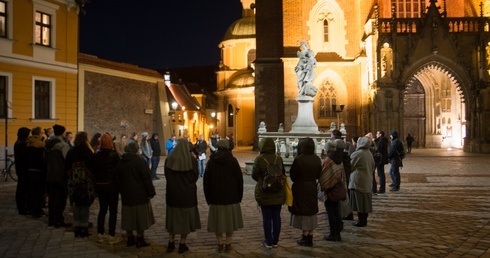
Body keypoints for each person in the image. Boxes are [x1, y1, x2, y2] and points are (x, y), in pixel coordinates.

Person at [204, 139, 244, 253]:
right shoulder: (233, 161)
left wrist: (208, 197)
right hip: (231, 197)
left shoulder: (212, 161)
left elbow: (206, 181)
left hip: (216, 197)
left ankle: (220, 243)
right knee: (229, 222)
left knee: (218, 222)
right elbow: (239, 180)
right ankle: (228, 243)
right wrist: (239, 196)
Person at [164, 139, 201, 254]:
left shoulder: (169, 160)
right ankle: (182, 243)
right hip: (187, 195)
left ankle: (171, 242)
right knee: (185, 220)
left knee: (173, 219)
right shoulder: (192, 161)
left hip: (173, 194)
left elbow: (167, 176)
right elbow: (195, 176)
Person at [117, 141, 155, 248]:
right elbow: (146, 178)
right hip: (140, 194)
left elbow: (118, 179)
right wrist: (150, 192)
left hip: (127, 194)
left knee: (128, 216)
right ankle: (139, 238)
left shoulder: (121, 162)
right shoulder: (140, 162)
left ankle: (130, 238)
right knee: (140, 217)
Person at [252, 138, 285, 248]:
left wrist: (263, 181)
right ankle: (275, 240)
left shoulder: (259, 159)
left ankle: (268, 241)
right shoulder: (278, 158)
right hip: (278, 192)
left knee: (266, 217)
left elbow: (254, 175)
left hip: (264, 192)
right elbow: (283, 173)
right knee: (276, 216)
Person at [289, 137, 322, 247]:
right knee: (311, 210)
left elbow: (293, 175)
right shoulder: (317, 159)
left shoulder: (299, 159)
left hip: (301, 187)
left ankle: (305, 235)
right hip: (312, 186)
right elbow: (319, 174)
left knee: (303, 211)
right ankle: (310, 236)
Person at [92, 133, 122, 245]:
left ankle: (100, 234)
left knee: (102, 209)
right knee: (113, 211)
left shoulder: (96, 155)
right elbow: (119, 171)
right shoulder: (113, 155)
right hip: (111, 186)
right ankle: (111, 235)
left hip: (100, 185)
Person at [65, 131, 96, 237]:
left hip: (74, 182)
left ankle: (77, 226)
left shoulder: (71, 150)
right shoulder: (87, 151)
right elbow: (92, 166)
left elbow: (67, 166)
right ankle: (84, 227)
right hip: (85, 182)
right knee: (85, 205)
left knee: (76, 204)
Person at [45, 124, 71, 228]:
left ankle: (51, 220)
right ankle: (59, 220)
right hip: (60, 175)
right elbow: (67, 159)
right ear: (62, 133)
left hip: (50, 174)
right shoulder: (62, 145)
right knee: (61, 199)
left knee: (52, 198)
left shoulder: (48, 143)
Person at [320, 139, 346, 242]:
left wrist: (324, 185)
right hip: (337, 187)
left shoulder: (328, 160)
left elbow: (325, 175)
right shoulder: (338, 158)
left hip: (330, 190)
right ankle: (338, 231)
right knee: (336, 210)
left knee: (330, 212)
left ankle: (333, 233)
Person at [349, 136, 375, 227]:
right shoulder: (369, 153)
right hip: (367, 180)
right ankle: (364, 220)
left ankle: (361, 220)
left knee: (360, 202)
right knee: (365, 203)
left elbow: (350, 166)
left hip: (359, 180)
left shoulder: (358, 154)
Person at [25, 126, 47, 218]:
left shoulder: (28, 142)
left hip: (30, 170)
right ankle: (37, 211)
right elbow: (43, 159)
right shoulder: (40, 145)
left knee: (32, 191)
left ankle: (33, 209)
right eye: (42, 132)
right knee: (39, 192)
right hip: (39, 170)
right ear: (39, 134)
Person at [14, 127, 31, 215]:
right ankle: (22, 208)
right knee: (23, 189)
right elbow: (26, 156)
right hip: (23, 169)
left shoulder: (18, 142)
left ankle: (22, 206)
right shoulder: (21, 144)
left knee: (21, 188)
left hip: (21, 168)